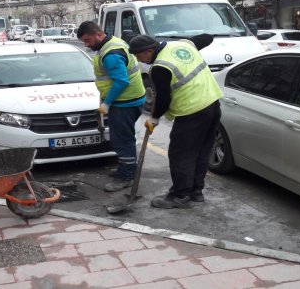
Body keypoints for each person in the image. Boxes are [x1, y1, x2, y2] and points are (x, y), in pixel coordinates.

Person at [128, 35, 222, 209]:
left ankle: (180, 195)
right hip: (213, 104)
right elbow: (206, 38)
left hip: (192, 111)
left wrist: (153, 118)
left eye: (138, 55)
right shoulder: (183, 45)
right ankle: (196, 192)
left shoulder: (159, 67)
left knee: (181, 155)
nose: (138, 59)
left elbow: (163, 99)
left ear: (149, 51)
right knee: (201, 152)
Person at [76, 21, 146, 192]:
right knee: (122, 138)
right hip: (131, 99)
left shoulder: (111, 54)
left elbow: (121, 81)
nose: (87, 45)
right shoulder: (115, 42)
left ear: (99, 35)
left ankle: (127, 176)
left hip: (125, 103)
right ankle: (125, 169)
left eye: (88, 40)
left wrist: (107, 103)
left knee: (123, 140)